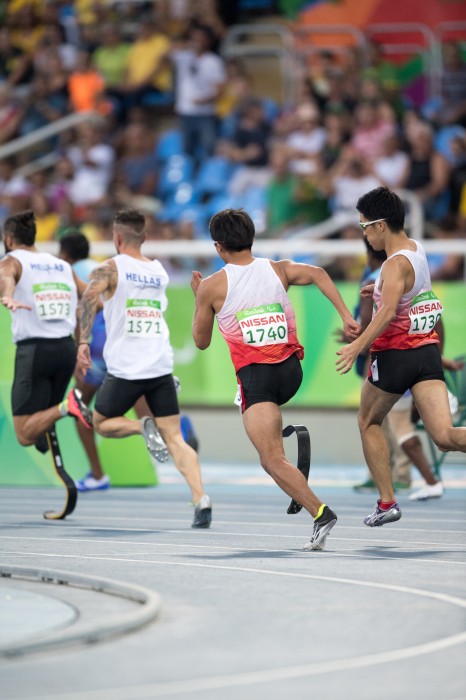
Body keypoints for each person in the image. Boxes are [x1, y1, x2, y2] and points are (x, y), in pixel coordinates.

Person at [190, 208, 360, 550]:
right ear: (251, 237)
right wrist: (346, 316)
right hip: (291, 372)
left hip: (258, 378)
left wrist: (201, 298)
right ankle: (297, 484)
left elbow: (201, 341)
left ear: (218, 246)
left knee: (271, 459)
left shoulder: (212, 285)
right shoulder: (277, 268)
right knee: (273, 450)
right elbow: (317, 273)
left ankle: (320, 512)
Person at [336, 187, 466, 527]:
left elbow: (390, 310)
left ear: (381, 226)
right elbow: (410, 292)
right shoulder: (416, 249)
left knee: (367, 422)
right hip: (426, 354)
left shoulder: (393, 265)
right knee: (445, 436)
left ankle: (387, 502)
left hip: (395, 356)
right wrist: (377, 288)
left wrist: (357, 346)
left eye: (365, 226)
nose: (364, 233)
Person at [76, 208, 211, 528]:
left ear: (117, 238)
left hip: (126, 367)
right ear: (145, 238)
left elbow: (87, 301)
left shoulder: (109, 268)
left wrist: (82, 343)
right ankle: (200, 498)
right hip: (160, 365)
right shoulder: (159, 271)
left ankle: (142, 428)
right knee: (175, 438)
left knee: (100, 422)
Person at [0, 210, 92, 453]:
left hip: (35, 352)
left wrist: (7, 295)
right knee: (40, 421)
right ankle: (55, 417)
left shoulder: (11, 260)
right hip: (65, 351)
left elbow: (6, 276)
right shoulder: (61, 265)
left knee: (23, 434)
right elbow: (91, 296)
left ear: (9, 239)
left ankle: (68, 406)